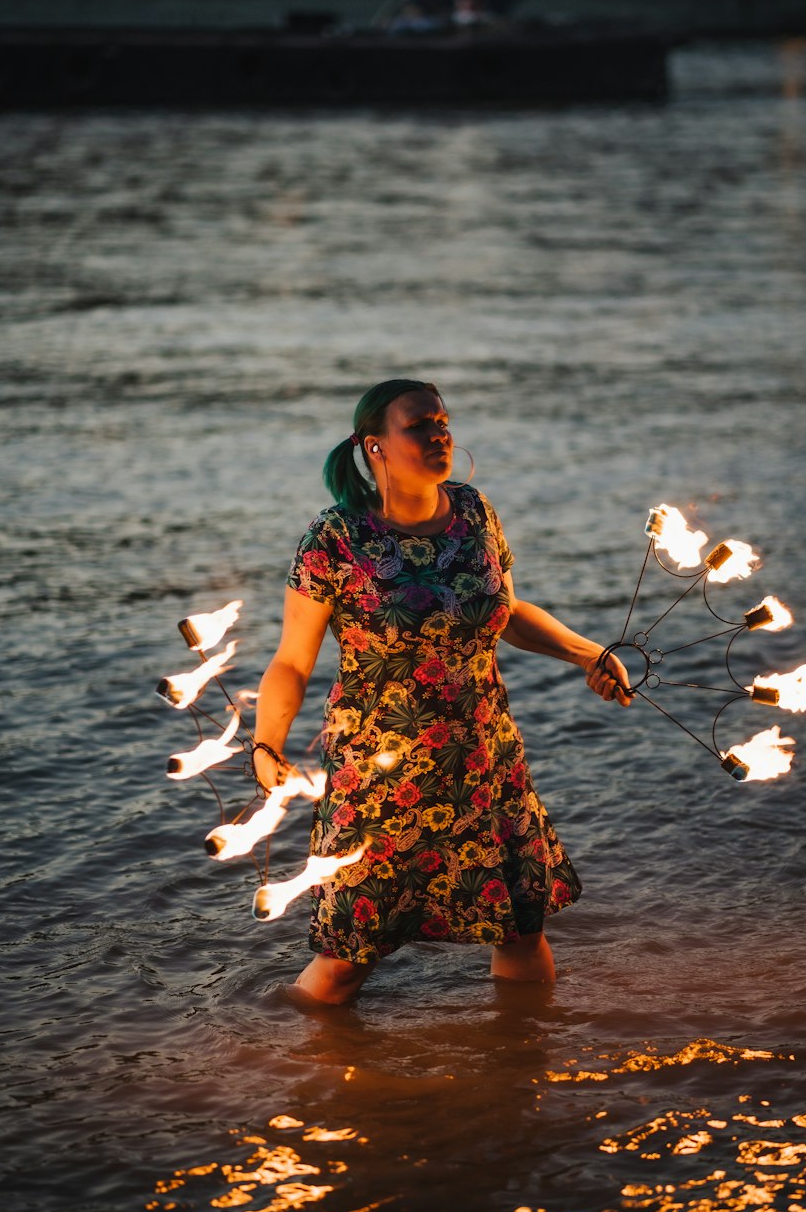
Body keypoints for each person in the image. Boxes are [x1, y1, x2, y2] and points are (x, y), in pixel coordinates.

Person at [253, 379, 632, 1006]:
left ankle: (522, 1075)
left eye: (444, 422)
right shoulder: (335, 539)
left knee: (519, 931)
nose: (440, 435)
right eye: (420, 426)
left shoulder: (474, 512)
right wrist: (267, 744)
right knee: (348, 956)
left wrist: (590, 653)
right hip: (382, 777)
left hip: (484, 759)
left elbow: (505, 612)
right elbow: (293, 660)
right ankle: (279, 1063)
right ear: (373, 446)